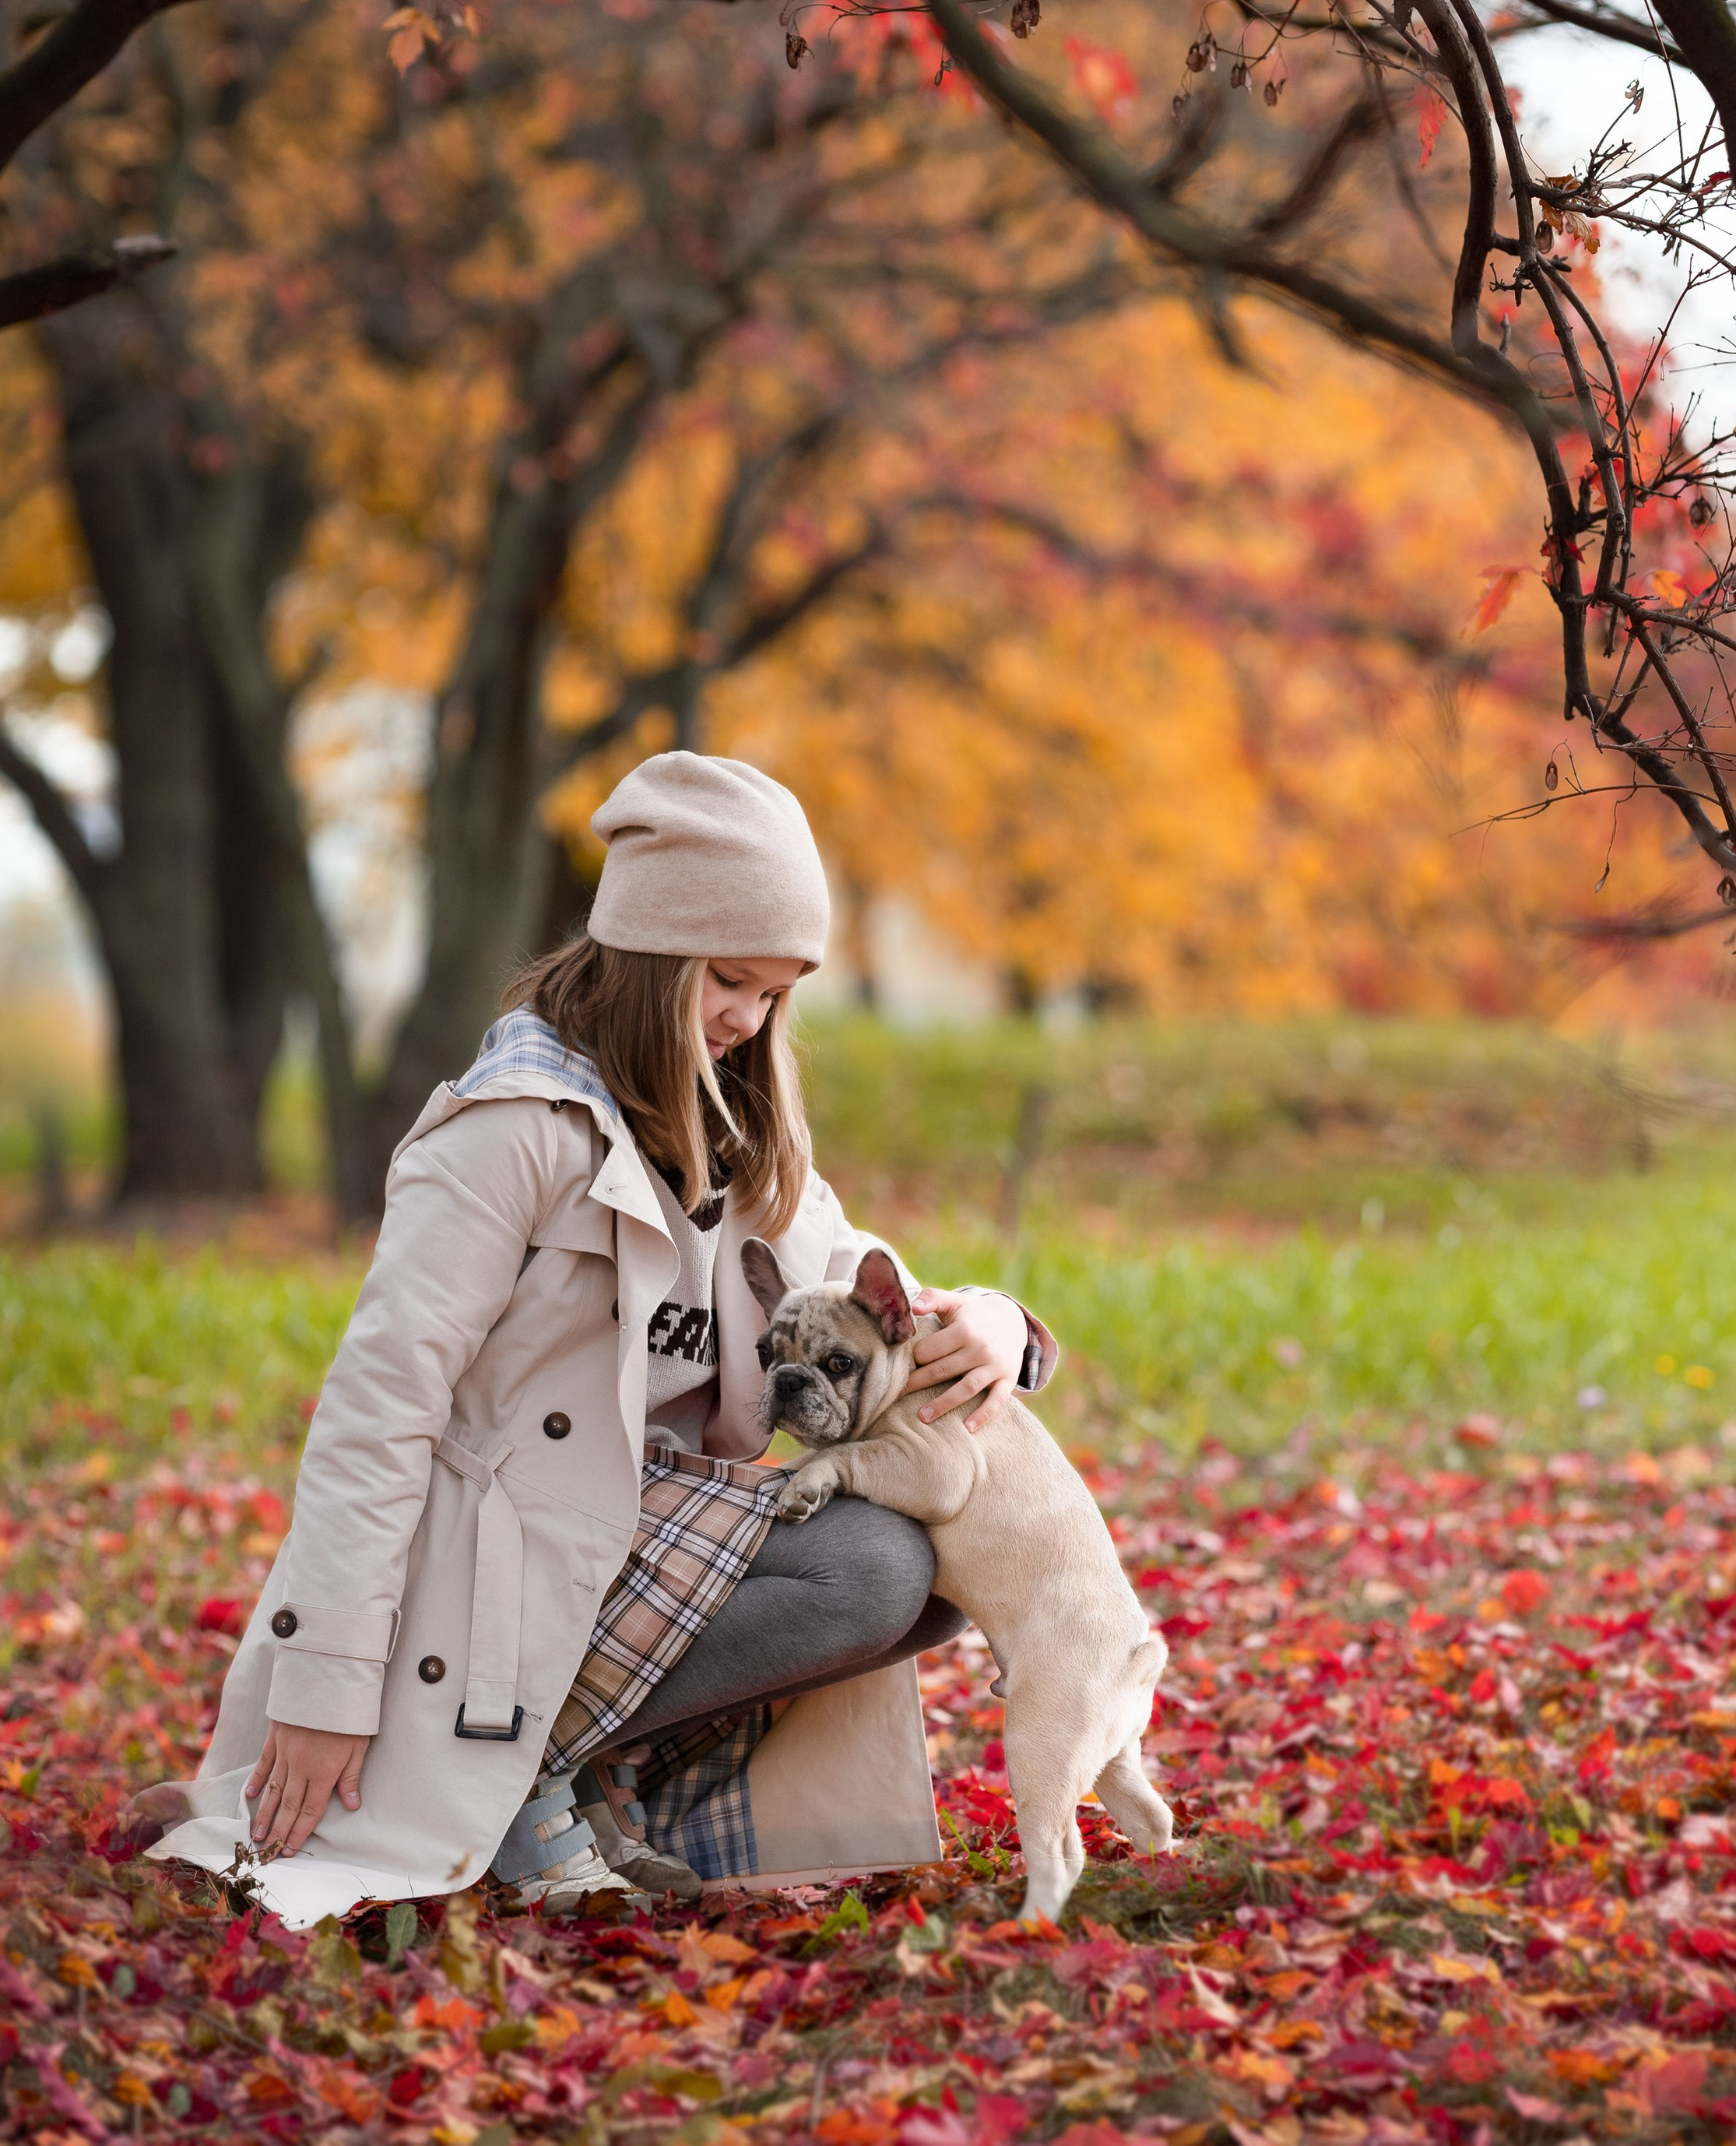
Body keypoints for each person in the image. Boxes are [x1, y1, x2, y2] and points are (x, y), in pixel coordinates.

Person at [135, 752, 1055, 1926]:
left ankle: (567, 1767)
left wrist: (994, 1321)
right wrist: (326, 1684)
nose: (749, 1019)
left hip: (636, 1528)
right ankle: (511, 1780)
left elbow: (854, 1279)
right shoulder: (508, 1133)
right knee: (872, 1566)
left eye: (776, 994)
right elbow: (380, 1407)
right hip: (498, 1560)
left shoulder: (732, 1129)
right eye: (730, 979)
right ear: (650, 951)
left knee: (913, 1562)